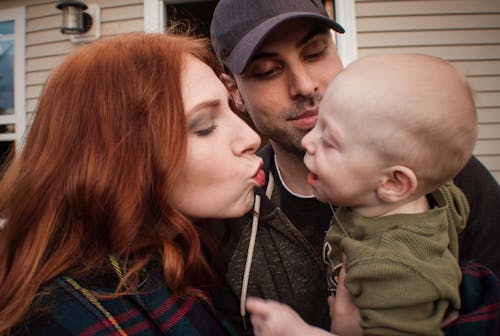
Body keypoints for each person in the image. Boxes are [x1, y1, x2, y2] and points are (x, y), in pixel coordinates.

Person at [209, 0, 500, 333]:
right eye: (267, 72)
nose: (304, 85)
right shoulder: (229, 216)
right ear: (233, 90)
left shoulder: (439, 175)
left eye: (315, 52)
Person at [0, 32, 266, 335]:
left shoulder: (185, 258)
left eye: (234, 109)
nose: (251, 138)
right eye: (204, 126)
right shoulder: (65, 319)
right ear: (118, 160)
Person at [245, 53, 477, 336]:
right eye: (318, 124)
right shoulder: (438, 196)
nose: (308, 141)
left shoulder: (395, 271)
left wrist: (298, 333)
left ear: (393, 183)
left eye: (329, 141)